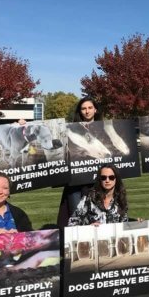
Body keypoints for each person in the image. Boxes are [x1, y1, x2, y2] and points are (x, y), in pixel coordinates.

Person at [57, 96, 104, 227]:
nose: (87, 111)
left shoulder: (103, 129)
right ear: (80, 111)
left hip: (97, 182)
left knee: (97, 218)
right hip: (75, 182)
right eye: (84, 108)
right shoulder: (69, 130)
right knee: (76, 218)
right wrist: (24, 126)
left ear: (95, 110)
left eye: (90, 108)